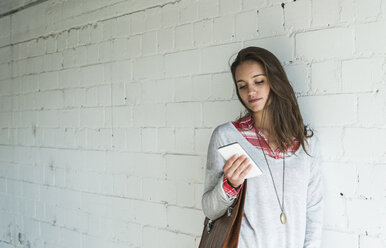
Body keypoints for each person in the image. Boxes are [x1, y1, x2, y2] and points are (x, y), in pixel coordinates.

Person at [201, 46, 323, 248]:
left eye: (258, 81)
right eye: (242, 85)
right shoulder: (227, 136)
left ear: (275, 81)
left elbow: (314, 210)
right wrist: (230, 184)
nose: (250, 91)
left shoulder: (307, 142)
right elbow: (210, 210)